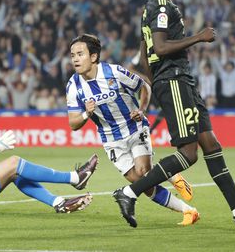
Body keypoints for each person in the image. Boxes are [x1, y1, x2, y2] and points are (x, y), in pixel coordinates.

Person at [113, 0, 235, 228]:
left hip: (178, 81)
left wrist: (153, 87)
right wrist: (199, 37)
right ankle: (129, 192)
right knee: (188, 153)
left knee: (210, 144)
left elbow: (145, 53)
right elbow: (160, 48)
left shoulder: (154, 7)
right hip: (174, 79)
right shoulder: (160, 5)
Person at [66, 33, 198, 226]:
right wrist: (86, 114)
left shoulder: (114, 72)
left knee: (144, 172)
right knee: (141, 183)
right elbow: (73, 123)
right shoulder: (73, 86)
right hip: (111, 139)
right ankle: (188, 209)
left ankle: (170, 176)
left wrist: (141, 109)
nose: (75, 59)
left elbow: (144, 87)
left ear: (93, 57)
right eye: (72, 55)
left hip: (134, 128)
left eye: (80, 54)